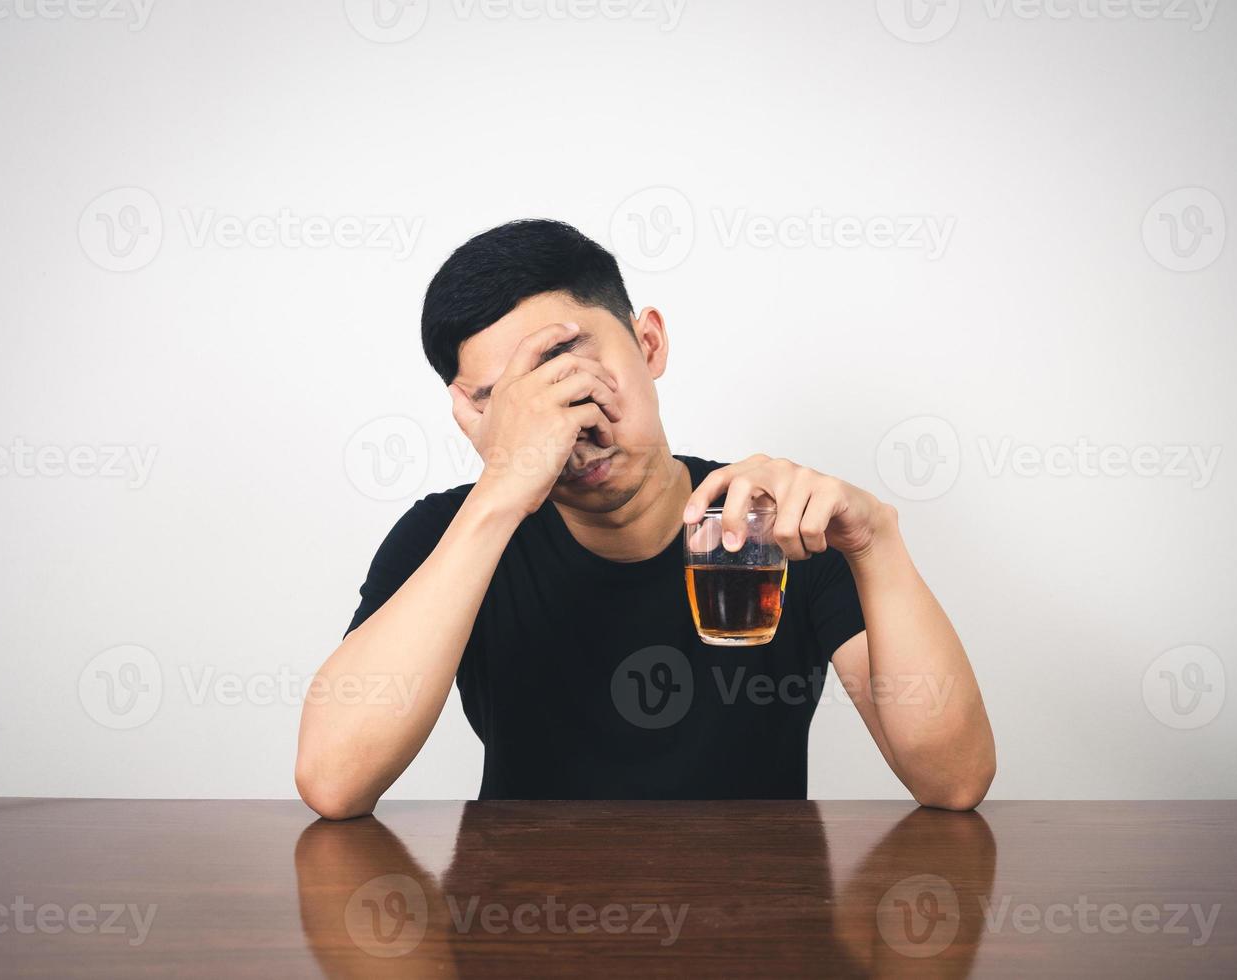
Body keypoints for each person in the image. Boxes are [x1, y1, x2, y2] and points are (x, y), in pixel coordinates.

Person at [295, 220, 995, 818]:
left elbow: (952, 778)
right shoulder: (449, 535)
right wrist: (502, 485)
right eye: (519, 401)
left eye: (569, 369)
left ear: (648, 343)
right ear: (474, 416)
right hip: (520, 931)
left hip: (760, 933)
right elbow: (333, 780)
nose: (573, 422)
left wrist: (875, 542)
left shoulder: (771, 526)